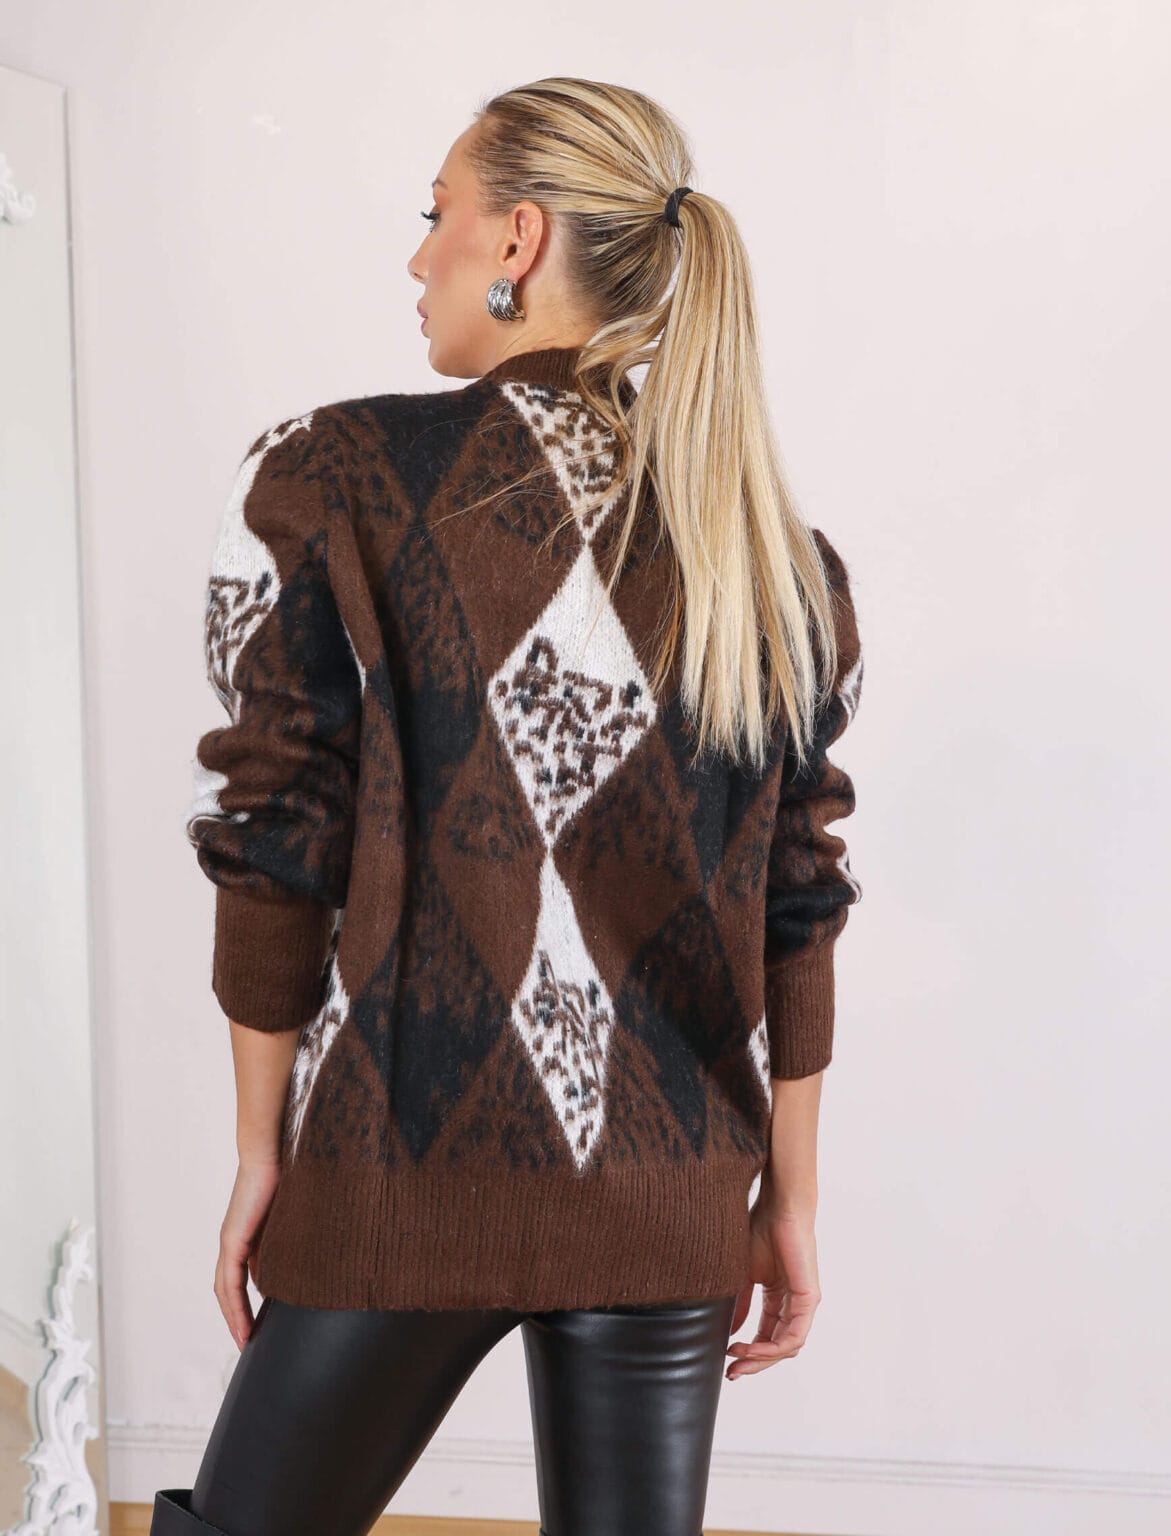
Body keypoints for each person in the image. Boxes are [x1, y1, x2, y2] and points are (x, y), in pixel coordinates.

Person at [152, 75, 864, 1536]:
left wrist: (263, 1150)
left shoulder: (330, 477)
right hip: (669, 1197)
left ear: (519, 240)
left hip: (396, 1163)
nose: (420, 256)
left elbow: (275, 843)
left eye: (439, 215)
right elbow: (798, 900)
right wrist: (788, 1200)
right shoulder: (771, 554)